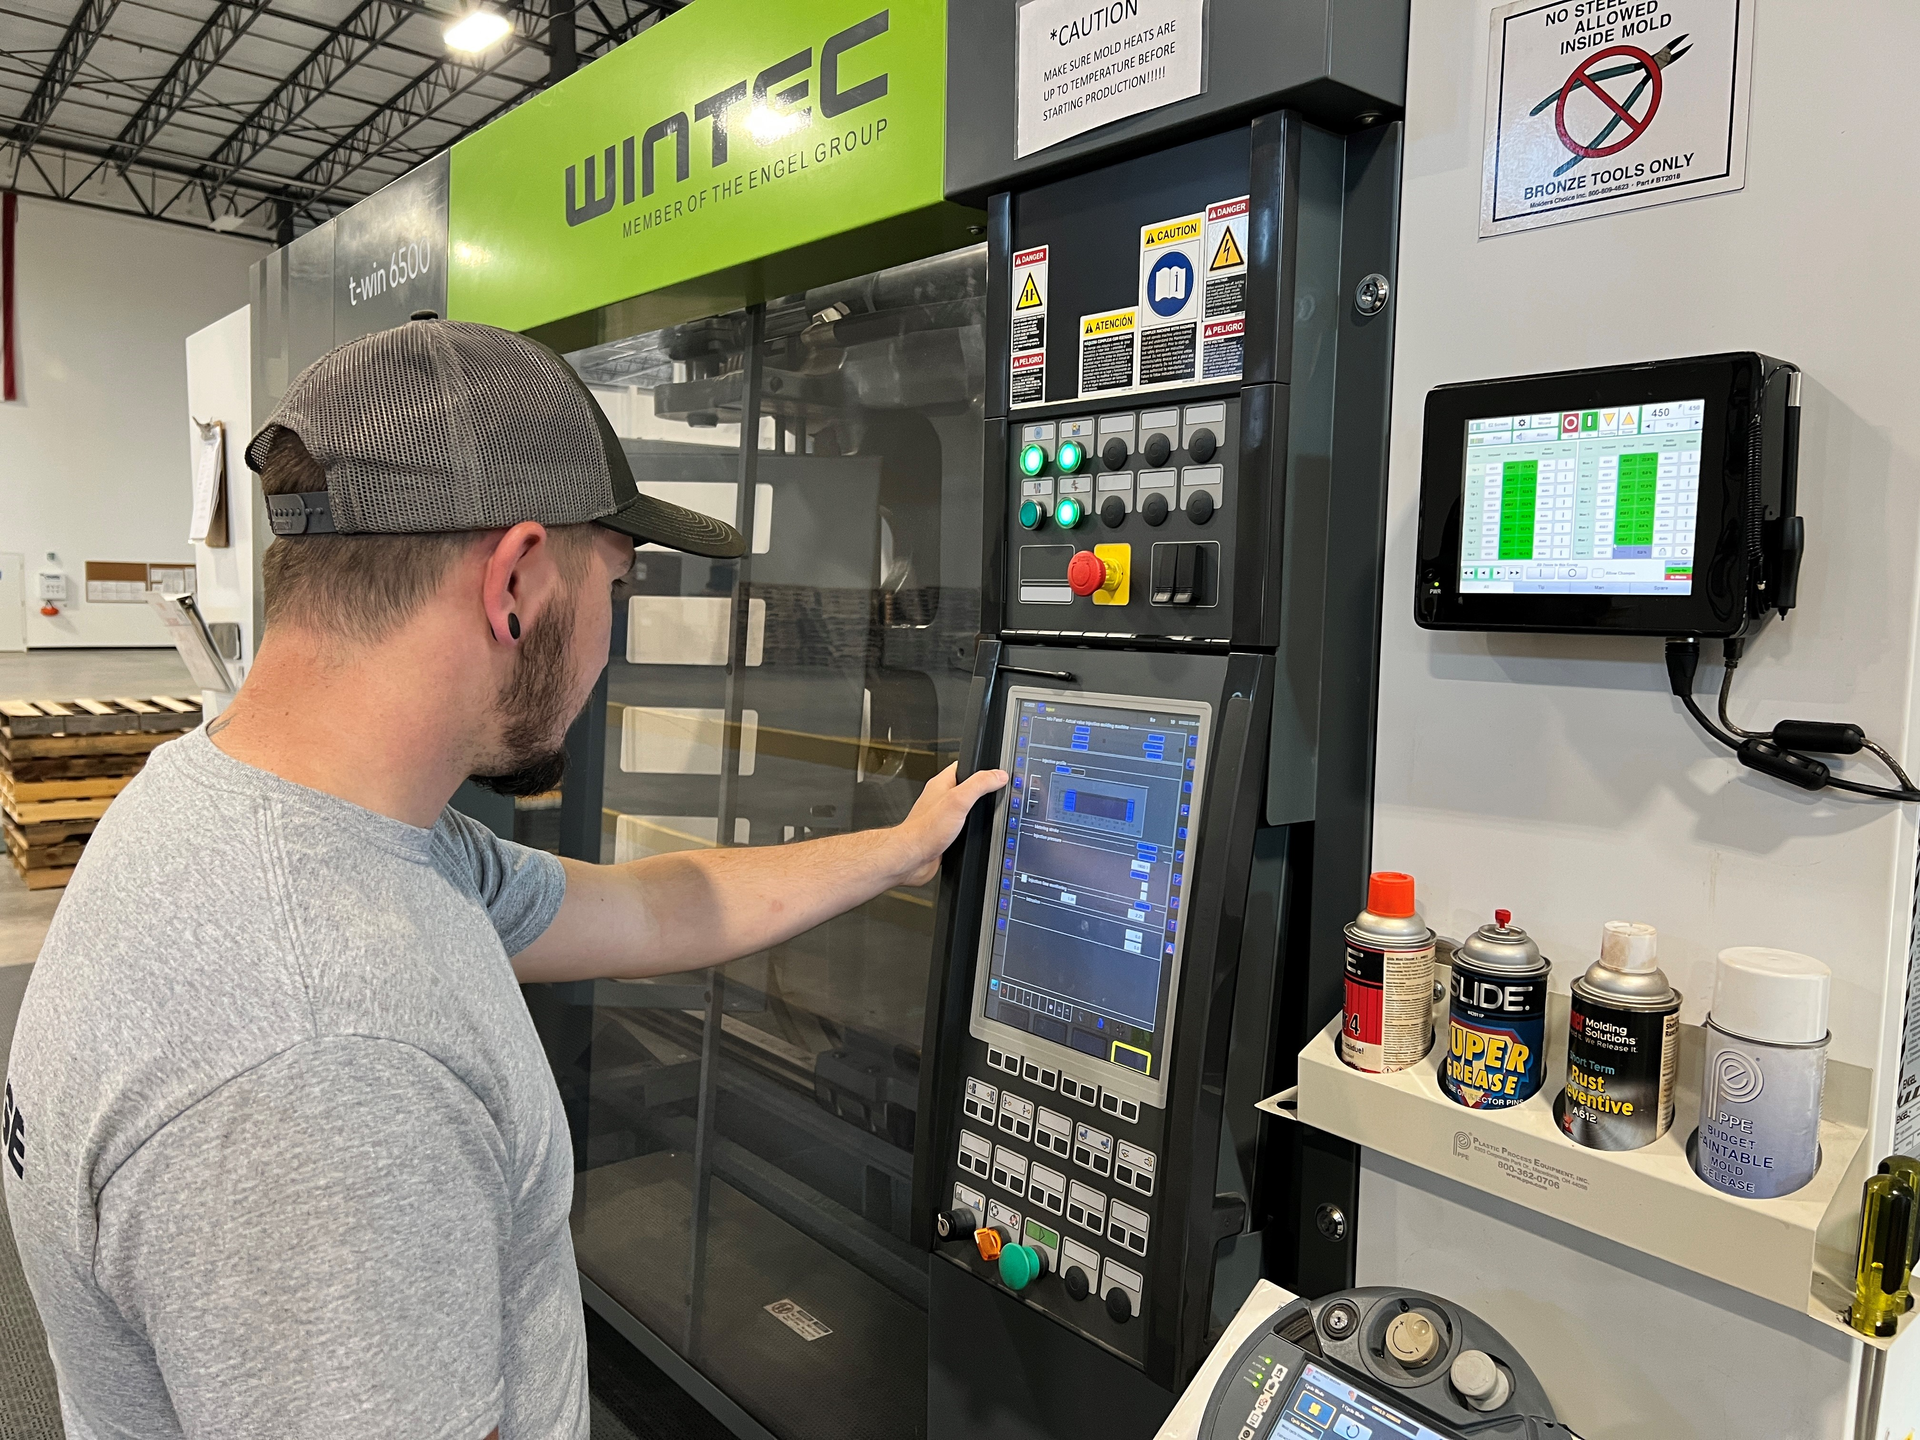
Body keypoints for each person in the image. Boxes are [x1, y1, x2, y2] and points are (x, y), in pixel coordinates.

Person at [2, 318, 1007, 1440]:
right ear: (519, 579)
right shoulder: (333, 1061)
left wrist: (905, 847)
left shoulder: (269, 817)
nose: (609, 642)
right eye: (615, 587)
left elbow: (648, 906)